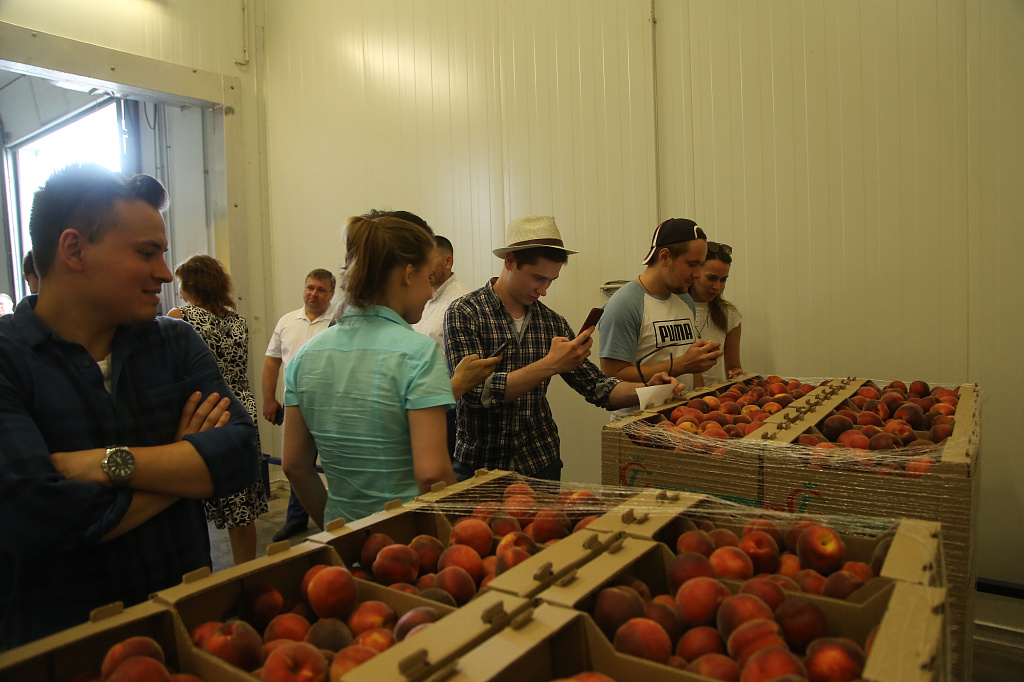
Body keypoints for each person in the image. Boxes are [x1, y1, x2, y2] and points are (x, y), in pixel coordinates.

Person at [0, 163, 258, 649]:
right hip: (64, 645)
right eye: (146, 253)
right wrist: (179, 464)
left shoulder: (175, 343)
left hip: (183, 625)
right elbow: (33, 517)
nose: (164, 272)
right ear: (74, 249)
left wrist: (105, 464)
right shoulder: (9, 361)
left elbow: (241, 454)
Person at [443, 214, 681, 482]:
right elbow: (476, 394)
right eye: (537, 278)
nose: (543, 290)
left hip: (540, 461)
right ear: (509, 261)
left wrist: (652, 390)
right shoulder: (465, 312)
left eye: (551, 280)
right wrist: (551, 364)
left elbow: (598, 387)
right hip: (479, 466)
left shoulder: (552, 322)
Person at [282, 215, 457, 529]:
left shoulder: (303, 358)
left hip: (341, 535)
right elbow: (433, 475)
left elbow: (295, 465)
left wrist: (334, 525)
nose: (431, 295)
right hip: (409, 541)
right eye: (428, 280)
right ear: (408, 274)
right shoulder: (418, 354)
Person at [168, 254, 269, 565]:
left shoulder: (179, 317)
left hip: (206, 412)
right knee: (242, 506)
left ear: (190, 286)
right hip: (241, 410)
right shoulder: (237, 322)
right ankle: (246, 572)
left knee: (191, 496)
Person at [598, 218, 724, 400]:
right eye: (692, 264)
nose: (697, 274)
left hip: (684, 416)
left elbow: (692, 368)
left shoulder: (685, 299)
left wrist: (701, 402)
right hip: (640, 421)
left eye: (700, 265)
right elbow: (612, 375)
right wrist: (682, 365)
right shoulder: (624, 305)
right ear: (665, 257)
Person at [262, 269, 336, 542]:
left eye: (320, 289)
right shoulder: (287, 321)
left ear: (331, 294)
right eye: (310, 287)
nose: (313, 293)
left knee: (332, 465)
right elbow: (272, 361)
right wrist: (269, 398)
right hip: (295, 409)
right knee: (296, 465)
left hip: (329, 408)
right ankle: (296, 520)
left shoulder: (337, 324)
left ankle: (337, 521)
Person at [413, 234, 472, 455]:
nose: (424, 267)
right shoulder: (419, 299)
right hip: (419, 401)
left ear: (448, 262)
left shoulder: (463, 302)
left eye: (429, 260)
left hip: (448, 405)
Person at [689, 242, 743, 386]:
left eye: (723, 279)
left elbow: (733, 366)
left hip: (716, 399)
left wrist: (736, 374)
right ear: (694, 273)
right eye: (711, 278)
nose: (717, 287)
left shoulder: (729, 314)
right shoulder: (672, 309)